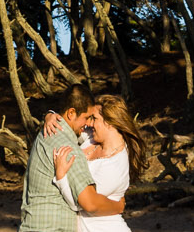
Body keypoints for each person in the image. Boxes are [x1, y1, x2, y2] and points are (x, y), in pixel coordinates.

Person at [20, 85, 123, 231]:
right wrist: (118, 206)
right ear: (71, 113)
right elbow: (90, 203)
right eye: (87, 117)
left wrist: (49, 114)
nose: (88, 123)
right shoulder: (67, 148)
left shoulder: (46, 134)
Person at [50, 94, 146, 232]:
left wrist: (61, 177)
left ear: (110, 122)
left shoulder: (115, 166)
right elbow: (71, 125)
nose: (89, 123)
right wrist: (51, 115)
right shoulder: (92, 137)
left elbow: (80, 203)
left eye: (94, 118)